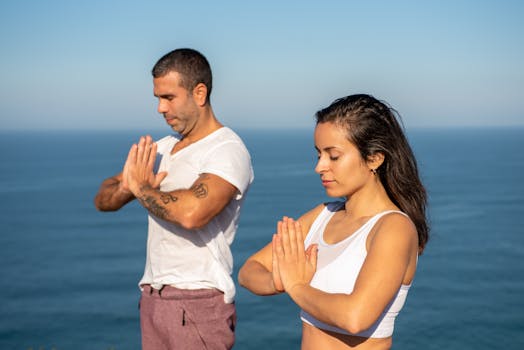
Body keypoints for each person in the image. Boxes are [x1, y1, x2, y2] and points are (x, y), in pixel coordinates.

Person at [238, 94, 428, 349]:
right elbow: (249, 270)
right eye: (318, 155)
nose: (320, 167)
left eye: (333, 156)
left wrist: (295, 285)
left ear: (375, 158)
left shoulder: (394, 228)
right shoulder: (322, 215)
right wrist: (277, 281)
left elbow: (355, 317)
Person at [94, 48, 254, 350]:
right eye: (157, 98)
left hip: (197, 302)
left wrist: (142, 189)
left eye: (168, 97)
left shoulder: (226, 150)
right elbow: (103, 198)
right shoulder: (165, 147)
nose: (159, 108)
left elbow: (193, 213)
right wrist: (132, 187)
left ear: (199, 92)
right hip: (154, 299)